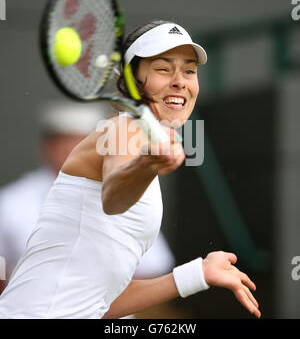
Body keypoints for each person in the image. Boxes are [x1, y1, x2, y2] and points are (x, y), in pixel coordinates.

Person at [0, 20, 261, 319]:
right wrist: (146, 165)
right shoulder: (124, 129)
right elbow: (113, 197)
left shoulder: (136, 138)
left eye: (189, 70)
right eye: (163, 69)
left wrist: (198, 273)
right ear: (132, 78)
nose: (180, 81)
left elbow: (98, 303)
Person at [0, 101, 175, 307]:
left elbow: (153, 267)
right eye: (63, 141)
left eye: (83, 140)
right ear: (46, 147)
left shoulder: (132, 193)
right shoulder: (11, 201)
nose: (72, 148)